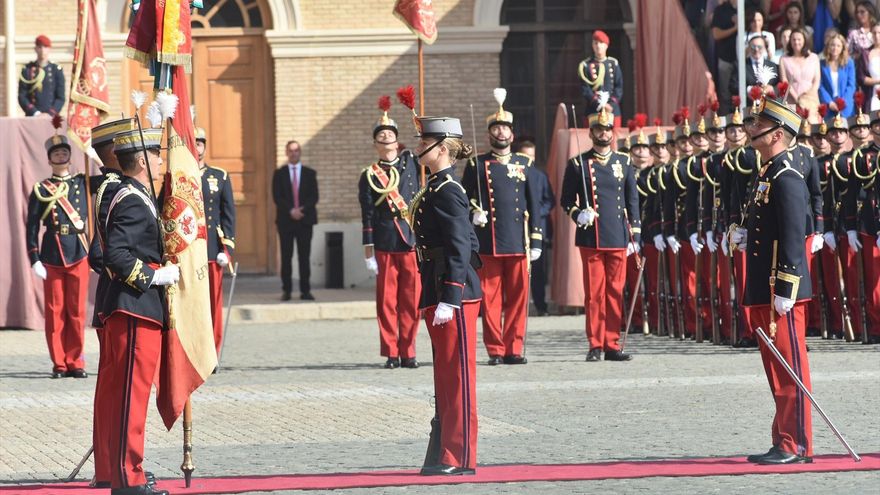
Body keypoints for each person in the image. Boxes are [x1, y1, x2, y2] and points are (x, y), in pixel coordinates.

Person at [731, 96, 813, 465]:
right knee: (775, 368)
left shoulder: (788, 177)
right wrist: (745, 235)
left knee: (789, 367)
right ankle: (782, 437)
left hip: (782, 290)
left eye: (758, 126)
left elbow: (796, 235)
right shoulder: (767, 174)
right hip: (765, 285)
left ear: (777, 134)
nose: (751, 131)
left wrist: (786, 288)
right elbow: (767, 227)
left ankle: (796, 444)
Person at [99, 127, 176, 494]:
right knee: (132, 396)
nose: (162, 160)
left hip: (133, 309)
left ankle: (122, 472)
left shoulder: (138, 194)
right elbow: (115, 254)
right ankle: (127, 477)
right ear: (143, 161)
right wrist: (154, 277)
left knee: (126, 395)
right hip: (134, 309)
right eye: (157, 154)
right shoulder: (131, 198)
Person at [411, 116, 481, 476]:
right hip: (436, 286)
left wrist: (451, 296)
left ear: (441, 149)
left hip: (453, 293)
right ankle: (445, 451)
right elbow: (470, 240)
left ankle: (461, 457)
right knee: (445, 377)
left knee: (459, 378)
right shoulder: (436, 187)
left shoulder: (448, 189)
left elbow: (460, 247)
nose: (418, 145)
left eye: (425, 141)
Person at [461, 89, 542, 365]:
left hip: (519, 241)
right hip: (489, 240)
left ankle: (514, 348)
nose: (501, 132)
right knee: (491, 300)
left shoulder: (525, 163)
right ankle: (495, 349)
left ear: (512, 133)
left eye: (505, 128)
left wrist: (537, 241)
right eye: (496, 128)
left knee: (518, 300)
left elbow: (535, 204)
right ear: (489, 134)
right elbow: (466, 197)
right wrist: (474, 212)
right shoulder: (476, 164)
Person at [560, 105, 640, 362]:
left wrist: (634, 236)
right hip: (591, 236)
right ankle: (595, 343)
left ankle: (612, 343)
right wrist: (578, 214)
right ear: (591, 133)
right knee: (595, 294)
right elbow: (565, 200)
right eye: (598, 129)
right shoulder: (577, 164)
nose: (603, 133)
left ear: (612, 132)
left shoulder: (624, 162)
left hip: (617, 234)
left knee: (616, 291)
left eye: (606, 129)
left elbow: (632, 201)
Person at [358, 97, 421, 369]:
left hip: (409, 239)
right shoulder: (369, 174)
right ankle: (391, 352)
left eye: (390, 136)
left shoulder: (411, 163)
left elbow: (426, 147)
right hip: (384, 240)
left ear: (397, 142)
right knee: (386, 302)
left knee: (411, 300)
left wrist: (418, 120)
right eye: (381, 136)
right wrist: (368, 249)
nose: (386, 139)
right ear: (375, 145)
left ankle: (409, 351)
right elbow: (367, 213)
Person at [26, 125, 92, 379]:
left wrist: (93, 154)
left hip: (78, 250)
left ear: (70, 155)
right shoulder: (41, 189)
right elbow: (32, 225)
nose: (61, 156)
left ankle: (76, 361)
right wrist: (34, 258)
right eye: (56, 153)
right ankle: (59, 363)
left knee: (77, 311)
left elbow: (109, 178)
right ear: (49, 158)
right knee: (55, 312)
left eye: (65, 151)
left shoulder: (82, 182)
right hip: (52, 253)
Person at [196, 127, 236, 356]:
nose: (197, 148)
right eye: (194, 143)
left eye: (200, 143)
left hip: (212, 248)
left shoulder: (219, 176)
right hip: (188, 250)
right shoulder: (179, 175)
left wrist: (227, 248)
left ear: (204, 146)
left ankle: (211, 352)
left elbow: (228, 213)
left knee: (213, 305)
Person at [841, 109, 880, 343]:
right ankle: (876, 326)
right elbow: (851, 194)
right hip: (869, 222)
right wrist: (851, 226)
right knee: (873, 282)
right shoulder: (860, 157)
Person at [272, 140, 318, 301]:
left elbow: (314, 197)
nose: (293, 153)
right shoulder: (279, 173)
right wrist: (291, 210)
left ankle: (306, 291)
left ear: (300, 152)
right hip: (286, 222)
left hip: (305, 221)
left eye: (296, 150)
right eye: (290, 151)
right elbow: (277, 197)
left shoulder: (310, 173)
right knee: (287, 257)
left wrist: (301, 210)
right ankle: (287, 290)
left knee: (304, 257)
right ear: (286, 153)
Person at [517, 139, 555, 317]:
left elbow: (550, 200)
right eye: (525, 155)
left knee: (539, 272)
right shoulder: (514, 172)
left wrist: (536, 212)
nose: (529, 159)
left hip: (538, 229)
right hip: (517, 228)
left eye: (531, 156)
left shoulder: (540, 176)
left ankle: (541, 305)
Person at [577, 30, 624, 127]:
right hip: (593, 109)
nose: (598, 46)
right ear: (592, 45)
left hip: (612, 110)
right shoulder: (586, 65)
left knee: (613, 139)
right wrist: (599, 104)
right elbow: (585, 89)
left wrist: (610, 105)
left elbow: (619, 86)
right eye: (595, 43)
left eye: (601, 43)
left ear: (606, 45)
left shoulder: (613, 64)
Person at [17, 35, 64, 117]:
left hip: (51, 118)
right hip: (32, 116)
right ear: (35, 49)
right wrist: (36, 113)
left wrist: (50, 114)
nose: (42, 50)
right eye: (40, 47)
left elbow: (60, 97)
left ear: (49, 49)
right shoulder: (27, 69)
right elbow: (22, 96)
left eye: (45, 47)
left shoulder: (56, 70)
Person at [780, 28, 821, 120]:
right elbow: (784, 81)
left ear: (805, 40)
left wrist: (807, 97)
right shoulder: (784, 58)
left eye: (799, 39)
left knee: (811, 130)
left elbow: (816, 81)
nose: (796, 42)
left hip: (810, 100)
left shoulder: (813, 57)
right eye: (793, 39)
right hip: (792, 99)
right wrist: (797, 99)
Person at [730, 35, 781, 107]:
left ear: (764, 48)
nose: (756, 49)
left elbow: (780, 85)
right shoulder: (740, 66)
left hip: (769, 107)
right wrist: (749, 89)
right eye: (753, 47)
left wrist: (773, 89)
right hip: (747, 107)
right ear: (749, 48)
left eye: (759, 47)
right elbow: (732, 85)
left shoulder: (773, 66)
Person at [819, 33, 857, 117]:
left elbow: (851, 85)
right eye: (832, 45)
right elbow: (820, 86)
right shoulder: (821, 64)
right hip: (829, 106)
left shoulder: (849, 63)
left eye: (838, 46)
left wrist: (842, 102)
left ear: (842, 48)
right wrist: (829, 102)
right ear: (828, 46)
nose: (835, 48)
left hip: (846, 106)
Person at [713, 0, 740, 114]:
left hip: (745, 61)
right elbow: (716, 34)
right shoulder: (721, 10)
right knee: (725, 95)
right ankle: (726, 124)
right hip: (726, 58)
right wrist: (736, 27)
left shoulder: (748, 7)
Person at [857, 24, 880, 110]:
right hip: (872, 96)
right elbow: (861, 78)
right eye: (874, 33)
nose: (877, 36)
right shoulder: (865, 53)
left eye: (879, 33)